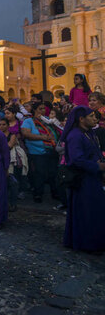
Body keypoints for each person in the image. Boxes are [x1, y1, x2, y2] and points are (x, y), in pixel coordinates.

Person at [61, 106, 105, 253]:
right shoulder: (75, 135)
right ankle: (87, 243)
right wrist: (97, 166)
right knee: (87, 212)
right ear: (81, 119)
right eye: (91, 116)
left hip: (93, 177)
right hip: (84, 179)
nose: (95, 119)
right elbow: (76, 159)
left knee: (95, 211)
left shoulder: (89, 133)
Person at [21, 103, 64, 204]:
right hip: (37, 152)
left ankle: (55, 193)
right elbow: (26, 134)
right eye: (40, 109)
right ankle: (38, 194)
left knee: (53, 173)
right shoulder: (28, 121)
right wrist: (43, 138)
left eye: (44, 109)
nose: (43, 111)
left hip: (52, 150)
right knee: (39, 174)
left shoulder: (47, 120)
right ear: (34, 110)